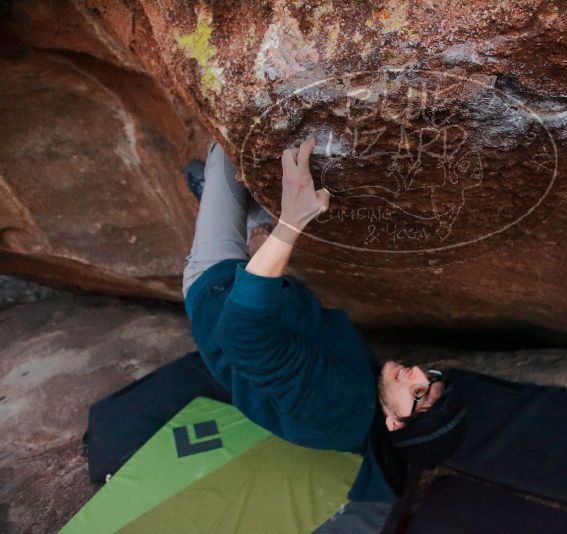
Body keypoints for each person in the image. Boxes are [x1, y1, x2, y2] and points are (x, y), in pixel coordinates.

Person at [182, 136, 466, 503]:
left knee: (230, 147)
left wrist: (292, 222)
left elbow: (242, 338)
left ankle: (215, 199)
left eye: (418, 395)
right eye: (431, 379)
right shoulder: (364, 407)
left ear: (394, 425)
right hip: (267, 297)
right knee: (258, 200)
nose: (417, 374)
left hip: (218, 290)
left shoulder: (334, 408)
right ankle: (234, 214)